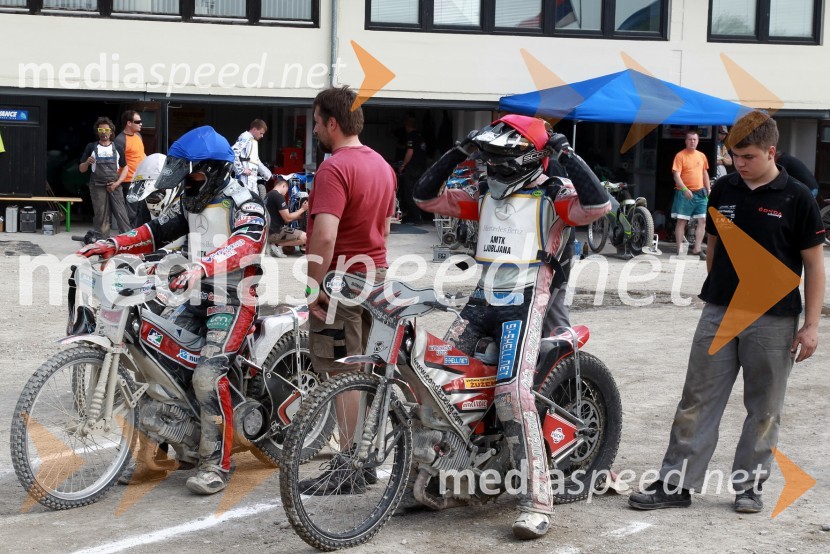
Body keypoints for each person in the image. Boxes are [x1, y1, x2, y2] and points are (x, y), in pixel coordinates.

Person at [413, 115, 611, 539]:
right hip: (482, 298)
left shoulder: (554, 192)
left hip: (528, 299)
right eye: (488, 155)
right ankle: (446, 476)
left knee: (512, 393)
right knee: (438, 381)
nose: (493, 164)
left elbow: (597, 206)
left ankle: (537, 500)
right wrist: (456, 152)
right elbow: (425, 198)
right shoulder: (483, 191)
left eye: (501, 156)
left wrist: (565, 153)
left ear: (529, 156)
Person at [628, 111, 825, 514]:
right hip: (720, 312)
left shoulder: (798, 197)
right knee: (696, 399)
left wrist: (810, 325)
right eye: (734, 156)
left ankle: (749, 486)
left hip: (773, 319)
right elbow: (713, 248)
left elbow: (815, 265)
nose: (739, 163)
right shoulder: (723, 191)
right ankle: (676, 483)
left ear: (771, 152)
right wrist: (719, 291)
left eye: (748, 156)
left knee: (765, 406)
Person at [77, 126, 267, 495]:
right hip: (193, 295)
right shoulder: (191, 200)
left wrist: (202, 267)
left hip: (233, 299)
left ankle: (218, 464)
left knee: (207, 376)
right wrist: (113, 244)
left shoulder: (247, 202)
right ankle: (159, 453)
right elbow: (154, 231)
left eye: (191, 171)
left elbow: (245, 244)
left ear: (211, 169)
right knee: (153, 357)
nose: (186, 179)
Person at [300, 86, 396, 492]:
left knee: (341, 373)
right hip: (376, 274)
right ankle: (364, 457)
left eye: (318, 121)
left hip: (341, 277)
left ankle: (352, 465)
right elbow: (386, 229)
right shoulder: (383, 166)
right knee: (365, 371)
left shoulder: (334, 168)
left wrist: (314, 287)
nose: (317, 129)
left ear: (333, 122)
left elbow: (324, 235)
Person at [78, 117, 131, 236]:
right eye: (100, 130)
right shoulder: (91, 147)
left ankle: (127, 241)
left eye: (106, 130)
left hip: (115, 185)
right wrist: (87, 162)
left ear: (111, 131)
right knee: (101, 215)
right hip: (97, 186)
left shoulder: (117, 147)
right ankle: (102, 242)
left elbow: (125, 168)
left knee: (121, 214)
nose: (103, 132)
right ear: (97, 132)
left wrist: (117, 184)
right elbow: (81, 169)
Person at [671, 130, 710, 259]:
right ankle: (679, 250)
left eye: (695, 139)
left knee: (703, 220)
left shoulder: (702, 155)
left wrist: (708, 189)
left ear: (698, 141)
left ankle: (697, 249)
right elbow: (676, 175)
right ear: (686, 141)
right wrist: (684, 189)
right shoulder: (680, 155)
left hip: (700, 192)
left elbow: (704, 173)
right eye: (690, 139)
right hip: (684, 193)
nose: (692, 141)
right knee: (682, 221)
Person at [115, 110, 147, 226]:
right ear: (129, 123)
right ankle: (127, 236)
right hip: (128, 181)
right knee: (131, 212)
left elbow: (142, 155)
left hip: (141, 179)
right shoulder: (120, 140)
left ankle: (136, 237)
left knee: (140, 210)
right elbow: (118, 164)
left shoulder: (138, 136)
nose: (141, 124)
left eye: (141, 121)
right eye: (138, 121)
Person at [264, 177, 308, 258]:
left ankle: (272, 243)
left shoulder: (267, 196)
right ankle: (276, 244)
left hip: (268, 233)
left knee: (291, 249)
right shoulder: (278, 196)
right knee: (306, 237)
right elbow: (287, 218)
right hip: (276, 232)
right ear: (284, 186)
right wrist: (302, 209)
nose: (286, 193)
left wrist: (297, 217)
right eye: (287, 190)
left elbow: (279, 217)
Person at [398, 113, 428, 224]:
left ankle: (416, 217)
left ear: (407, 126)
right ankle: (418, 216)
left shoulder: (411, 136)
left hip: (413, 169)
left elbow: (410, 152)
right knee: (418, 193)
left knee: (408, 193)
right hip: (422, 169)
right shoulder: (421, 136)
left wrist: (403, 166)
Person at [232, 119, 273, 197]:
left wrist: (267, 174)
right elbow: (234, 152)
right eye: (261, 133)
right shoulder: (245, 136)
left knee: (254, 202)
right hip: (244, 179)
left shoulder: (253, 141)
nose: (262, 136)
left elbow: (256, 161)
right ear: (254, 129)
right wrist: (241, 170)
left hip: (252, 179)